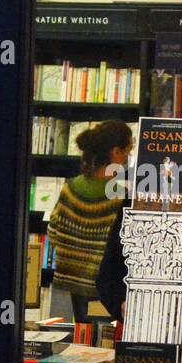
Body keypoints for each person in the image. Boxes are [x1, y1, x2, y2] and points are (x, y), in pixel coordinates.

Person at [48, 120, 131, 322]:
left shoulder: (71, 187)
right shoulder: (119, 195)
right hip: (106, 285)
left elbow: (53, 230)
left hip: (75, 280)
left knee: (84, 338)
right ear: (116, 153)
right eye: (128, 150)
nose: (129, 156)